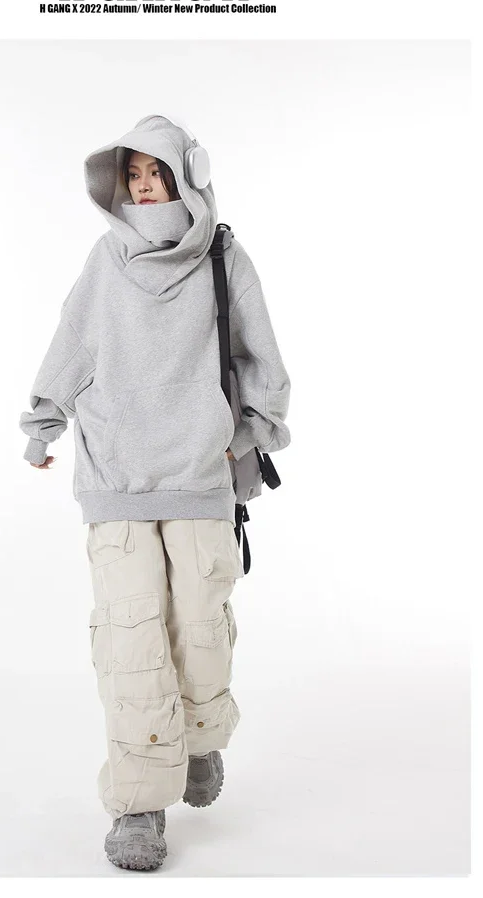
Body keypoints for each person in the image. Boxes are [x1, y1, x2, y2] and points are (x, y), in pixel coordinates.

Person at [19, 114, 291, 870]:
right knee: (132, 638)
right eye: (132, 174)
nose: (142, 187)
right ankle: (139, 804)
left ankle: (197, 740)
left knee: (199, 630)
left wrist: (249, 434)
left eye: (156, 173)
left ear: (187, 176)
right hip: (117, 473)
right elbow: (74, 341)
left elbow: (261, 357)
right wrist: (43, 421)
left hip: (201, 476)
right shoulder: (105, 261)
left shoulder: (225, 257)